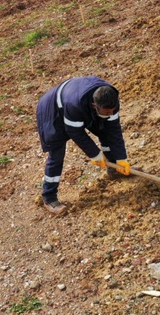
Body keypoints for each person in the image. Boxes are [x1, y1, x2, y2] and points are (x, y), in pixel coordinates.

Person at [36, 76, 131, 215]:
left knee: (105, 131)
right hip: (53, 110)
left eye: (113, 110)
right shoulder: (74, 105)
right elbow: (75, 132)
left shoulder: (111, 100)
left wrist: (121, 158)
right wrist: (95, 154)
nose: (111, 113)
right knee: (57, 153)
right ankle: (49, 197)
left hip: (79, 102)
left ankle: (114, 170)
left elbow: (114, 131)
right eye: (107, 112)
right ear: (95, 106)